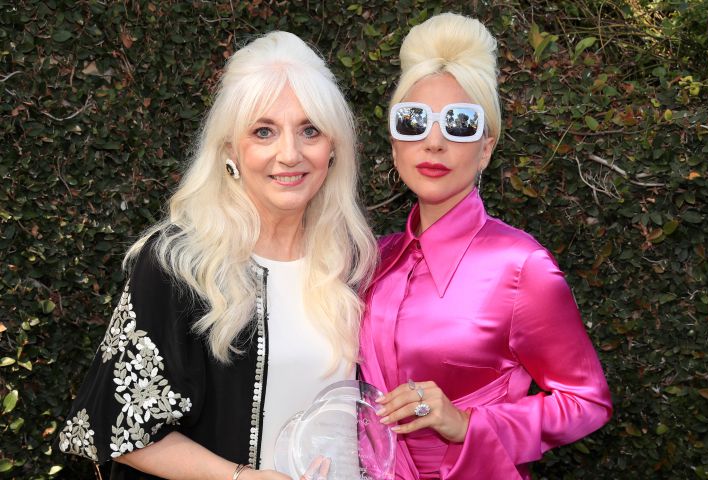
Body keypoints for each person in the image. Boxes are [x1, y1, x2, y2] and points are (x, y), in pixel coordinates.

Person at [58, 31, 377, 480]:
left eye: (310, 130)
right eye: (264, 132)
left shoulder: (355, 260)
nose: (290, 154)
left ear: (333, 149)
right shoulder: (180, 263)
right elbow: (120, 428)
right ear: (230, 150)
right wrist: (240, 478)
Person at [359, 13, 612, 479]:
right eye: (414, 122)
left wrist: (467, 423)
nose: (434, 142)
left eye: (460, 123)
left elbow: (587, 401)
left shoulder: (521, 266)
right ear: (395, 144)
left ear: (486, 148)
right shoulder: (372, 259)